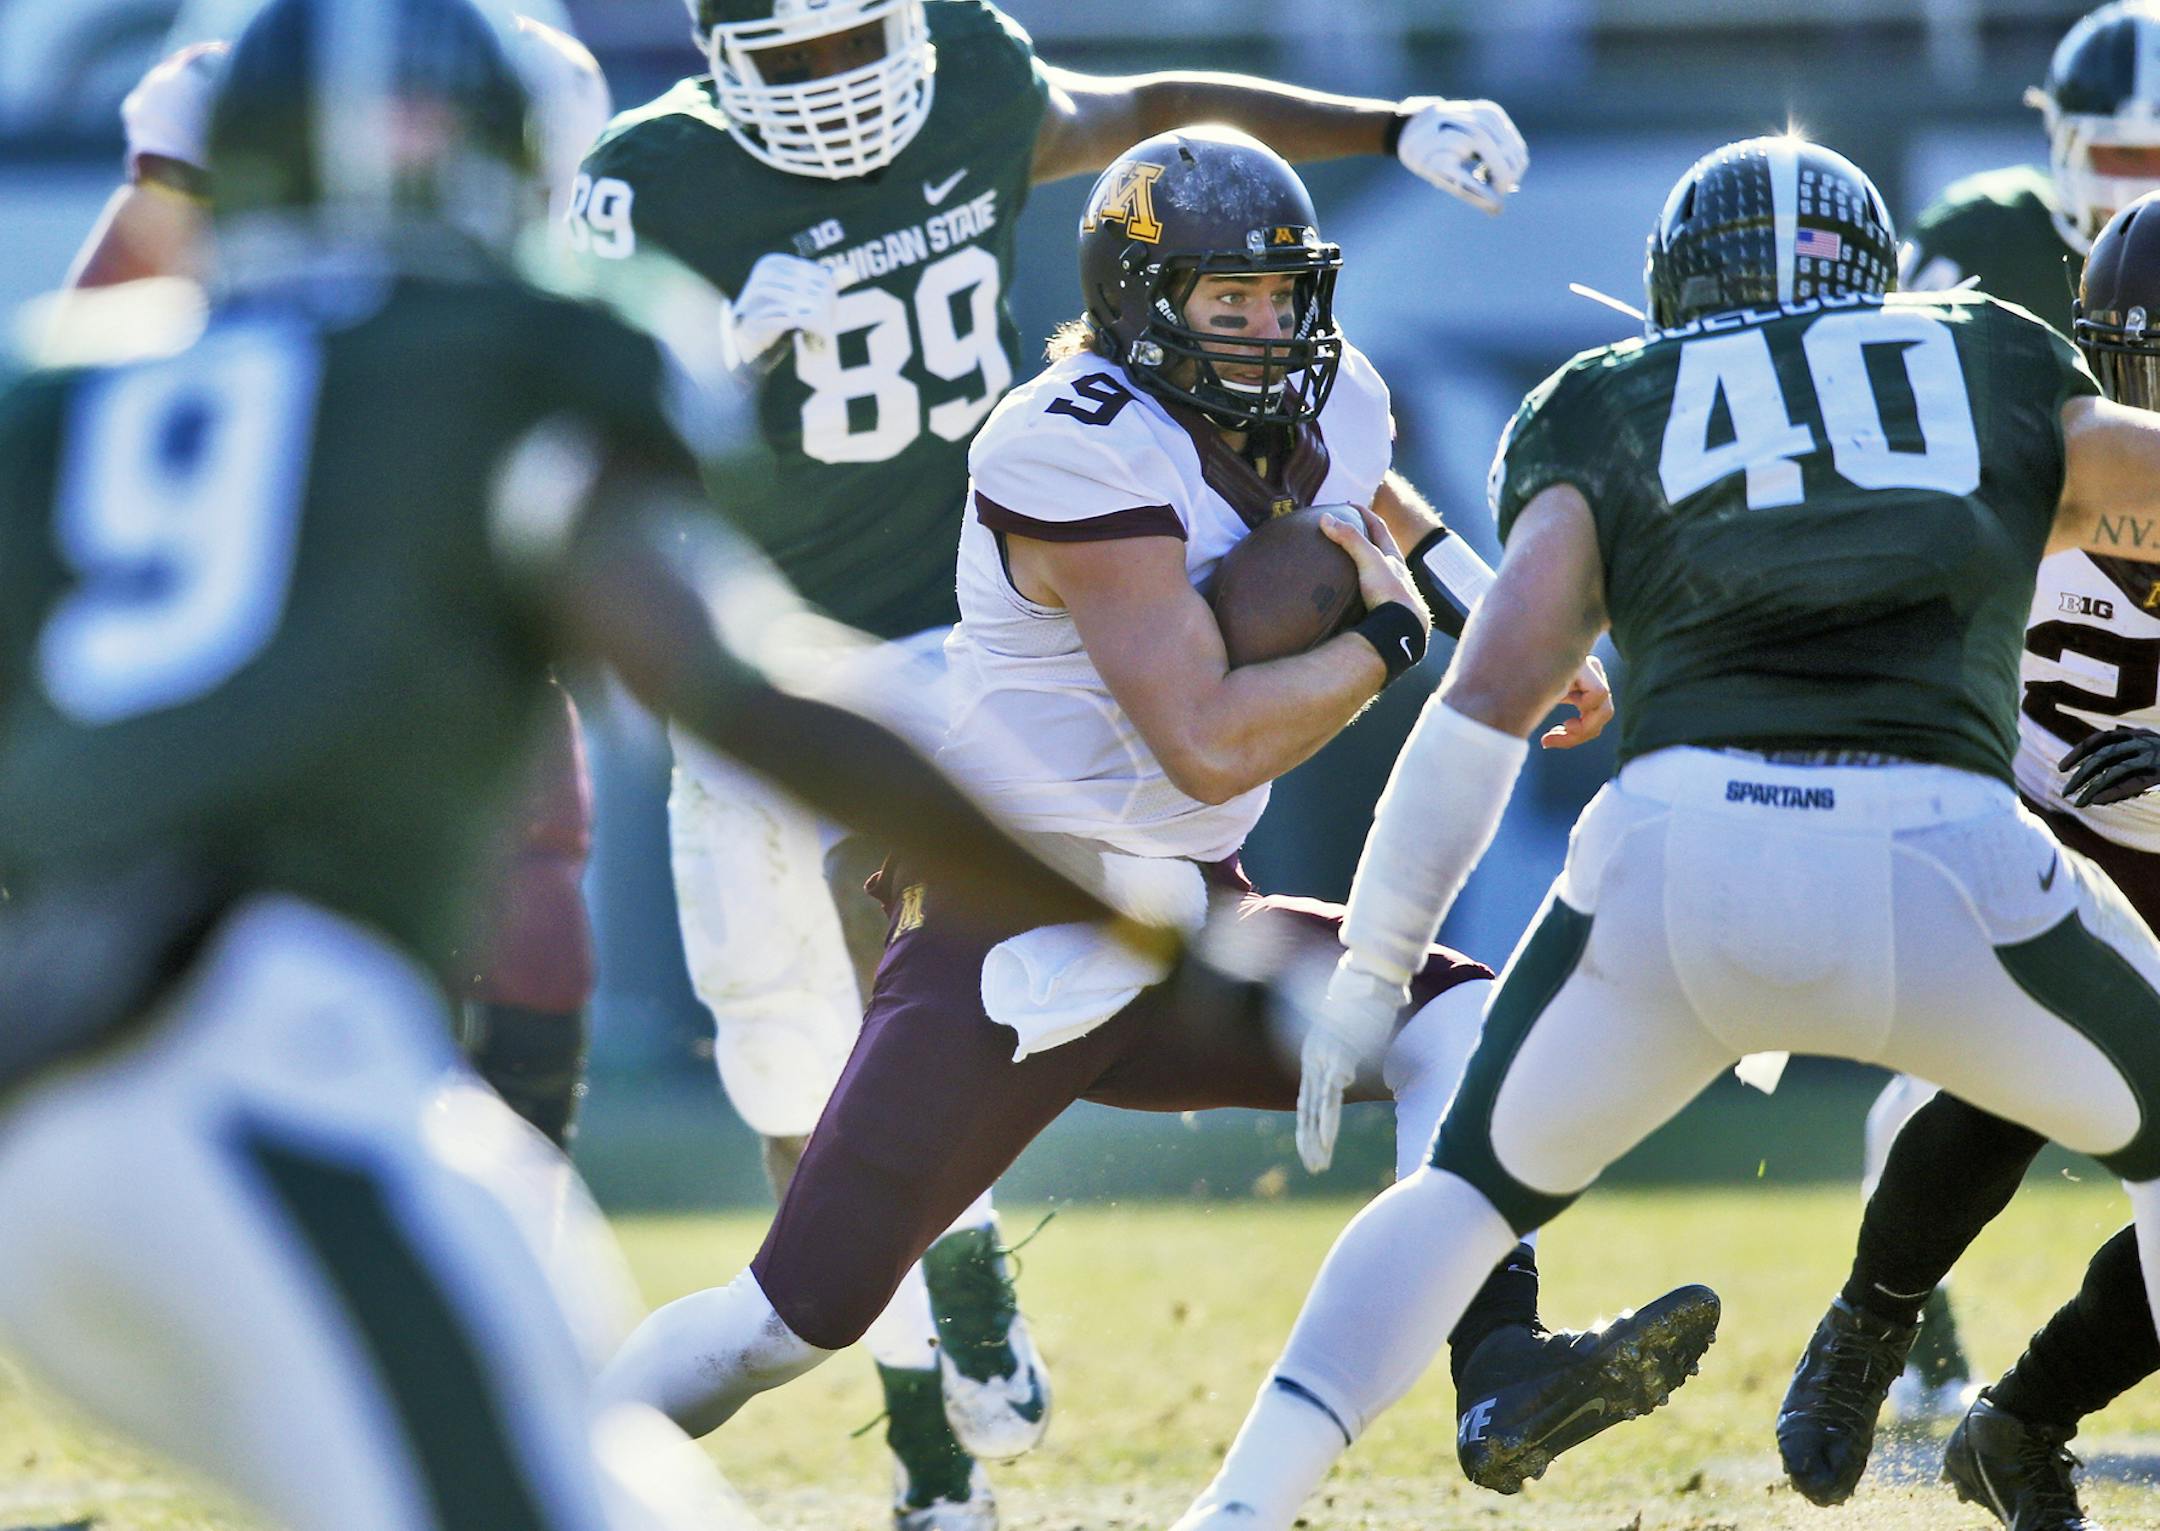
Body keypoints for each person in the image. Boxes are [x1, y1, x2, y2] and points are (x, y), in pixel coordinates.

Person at [0, 1, 1155, 1526]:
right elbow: (738, 685)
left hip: (52, 1109)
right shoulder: (520, 334)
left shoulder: (58, 387)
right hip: (268, 1059)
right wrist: (1143, 922)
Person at [594, 127, 1715, 1520]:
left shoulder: (1324, 394)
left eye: (1283, 295)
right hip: (1010, 929)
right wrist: (1390, 640)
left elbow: (1362, 493)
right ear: (1139, 302)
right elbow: (1203, 739)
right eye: (1226, 299)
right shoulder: (1070, 445)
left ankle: (1499, 1362)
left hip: (1192, 911)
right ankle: (526, 1466)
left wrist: (1492, 606)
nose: (1267, 330)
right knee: (784, 1323)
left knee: (1464, 1027)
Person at [1172, 133, 2160, 1531]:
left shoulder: (1613, 401)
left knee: (1462, 1193)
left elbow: (1486, 700)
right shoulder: (1981, 359)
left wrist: (1378, 963)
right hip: (1941, 854)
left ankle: (1238, 1507)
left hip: (1680, 861)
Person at [62, 10, 618, 1157]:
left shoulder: (519, 73)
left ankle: (506, 1177)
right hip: (280, 545)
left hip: (383, 538)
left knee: (532, 861)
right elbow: (105, 337)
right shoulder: (246, 83)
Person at [1775, 189, 2160, 1531]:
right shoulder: (2030, 465)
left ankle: (2021, 1420)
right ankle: (1865, 1331)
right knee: (2024, 1063)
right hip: (2049, 822)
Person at [1843, 0, 2160, 1427]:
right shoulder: (1985, 246)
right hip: (2031, 703)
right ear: (2063, 143)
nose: (2143, 179)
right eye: (2123, 151)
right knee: (1981, 1056)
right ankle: (1898, 1335)